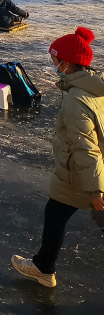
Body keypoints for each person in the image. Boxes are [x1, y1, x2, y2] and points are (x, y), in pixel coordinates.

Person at [11, 27, 104, 288]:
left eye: (55, 61)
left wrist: (95, 189)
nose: (53, 65)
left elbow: (86, 147)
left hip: (78, 174)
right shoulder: (95, 86)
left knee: (56, 214)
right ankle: (44, 267)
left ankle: (43, 269)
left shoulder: (77, 100)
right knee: (55, 214)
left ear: (67, 63)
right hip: (83, 170)